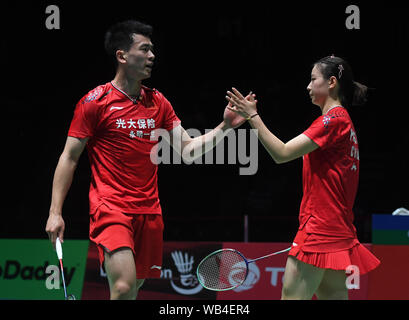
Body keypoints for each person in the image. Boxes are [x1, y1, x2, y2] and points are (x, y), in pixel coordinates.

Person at [45, 20, 247, 300]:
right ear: (122, 55)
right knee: (124, 286)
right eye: (145, 49)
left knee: (133, 291)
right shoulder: (95, 102)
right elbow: (69, 157)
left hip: (149, 211)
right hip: (110, 206)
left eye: (153, 50)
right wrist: (56, 212)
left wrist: (224, 127)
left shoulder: (158, 102)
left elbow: (187, 150)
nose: (153, 56)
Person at [226, 55, 380, 300]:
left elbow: (282, 153)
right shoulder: (345, 123)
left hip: (318, 230)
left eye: (312, 79)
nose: (308, 86)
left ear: (331, 82)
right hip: (337, 229)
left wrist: (252, 116)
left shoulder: (331, 121)